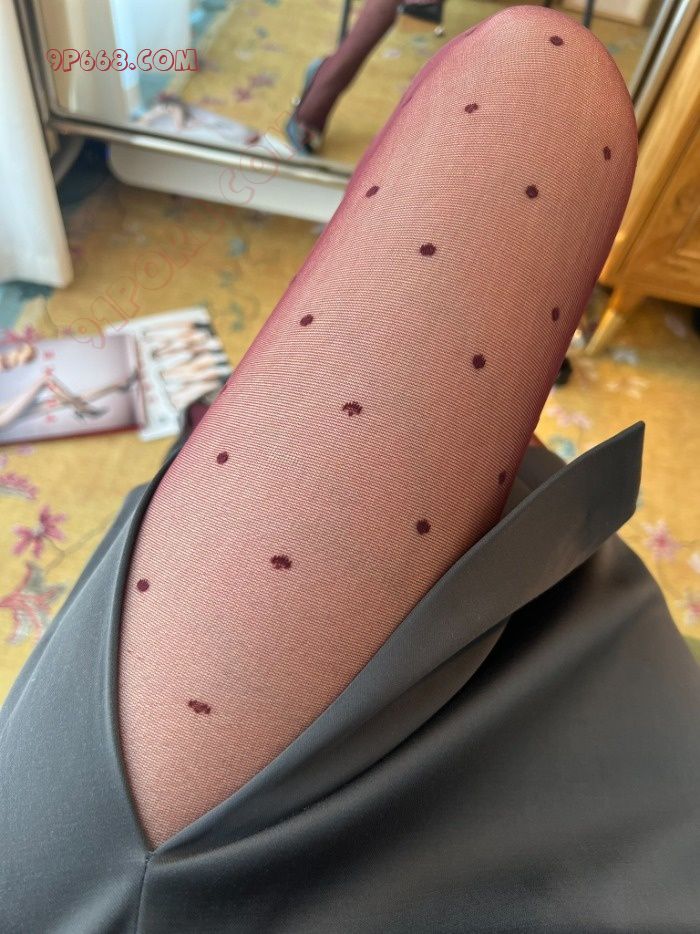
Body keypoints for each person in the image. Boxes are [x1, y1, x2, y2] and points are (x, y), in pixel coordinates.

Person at [2, 8, 700, 932]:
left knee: (536, 87)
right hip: (625, 795)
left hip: (134, 858)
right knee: (545, 84)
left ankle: (330, 81)